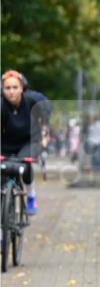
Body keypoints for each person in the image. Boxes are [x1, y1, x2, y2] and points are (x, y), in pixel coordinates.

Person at [1, 70, 45, 211]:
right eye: (7, 88)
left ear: (22, 88)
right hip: (5, 143)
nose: (11, 91)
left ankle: (31, 194)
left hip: (28, 141)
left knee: (24, 164)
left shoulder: (31, 100)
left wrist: (44, 135)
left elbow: (44, 116)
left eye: (15, 87)